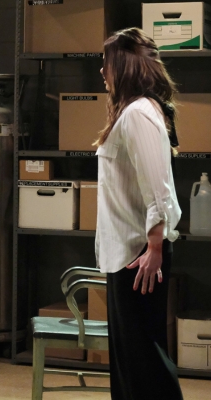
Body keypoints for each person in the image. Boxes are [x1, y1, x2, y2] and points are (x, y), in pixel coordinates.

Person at [95, 28, 183, 400]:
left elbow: (157, 187)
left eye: (106, 62)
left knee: (145, 364)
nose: (102, 71)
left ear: (123, 66)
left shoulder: (138, 114)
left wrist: (154, 247)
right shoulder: (133, 112)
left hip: (140, 257)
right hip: (130, 255)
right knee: (132, 366)